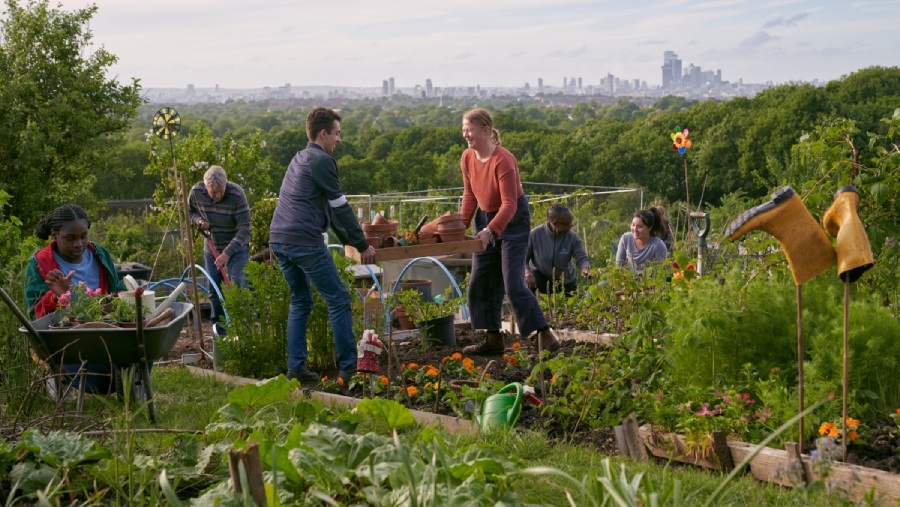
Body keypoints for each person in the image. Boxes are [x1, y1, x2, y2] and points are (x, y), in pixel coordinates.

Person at [269, 107, 376, 384]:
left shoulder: (299, 158)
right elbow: (340, 207)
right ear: (323, 133)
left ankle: (296, 370)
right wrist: (363, 245)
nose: (339, 139)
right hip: (304, 241)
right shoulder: (322, 161)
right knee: (339, 298)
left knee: (301, 300)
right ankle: (349, 370)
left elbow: (328, 209)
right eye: (337, 134)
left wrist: (348, 241)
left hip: (279, 239)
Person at [459, 108, 560, 356]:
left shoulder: (503, 160)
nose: (465, 135)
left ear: (485, 130)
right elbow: (470, 195)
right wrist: (459, 227)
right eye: (463, 131)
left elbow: (509, 205)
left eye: (469, 130)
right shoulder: (467, 158)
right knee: (480, 281)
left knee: (513, 283)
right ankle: (493, 338)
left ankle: (546, 336)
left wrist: (490, 231)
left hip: (512, 219)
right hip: (485, 217)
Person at [24, 204, 127, 394]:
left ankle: (127, 383)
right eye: (70, 238)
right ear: (55, 235)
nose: (79, 243)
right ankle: (62, 379)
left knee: (136, 348)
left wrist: (123, 297)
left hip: (108, 333)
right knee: (96, 377)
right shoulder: (41, 263)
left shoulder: (100, 255)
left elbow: (116, 289)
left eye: (83, 236)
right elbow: (35, 314)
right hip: (68, 343)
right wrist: (57, 297)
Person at [189, 165, 252, 335]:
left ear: (226, 185)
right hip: (212, 249)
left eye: (220, 191)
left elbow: (245, 228)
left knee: (238, 285)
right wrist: (199, 221)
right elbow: (190, 213)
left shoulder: (237, 195)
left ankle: (242, 329)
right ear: (205, 187)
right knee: (214, 289)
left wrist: (227, 253)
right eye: (213, 192)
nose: (217, 195)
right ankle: (220, 331)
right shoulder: (196, 193)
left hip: (237, 249)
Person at [525, 203, 591, 295]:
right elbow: (523, 258)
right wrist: (527, 272)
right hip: (541, 277)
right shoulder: (535, 234)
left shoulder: (572, 238)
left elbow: (582, 257)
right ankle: (530, 308)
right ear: (554, 223)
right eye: (568, 224)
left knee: (571, 306)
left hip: (565, 280)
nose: (571, 226)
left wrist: (585, 268)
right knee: (527, 281)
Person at [616, 208, 669, 274]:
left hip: (648, 283)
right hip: (628, 281)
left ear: (649, 228)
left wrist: (670, 283)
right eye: (633, 225)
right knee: (602, 284)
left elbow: (663, 272)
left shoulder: (658, 246)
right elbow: (619, 265)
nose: (635, 229)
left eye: (640, 227)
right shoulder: (625, 238)